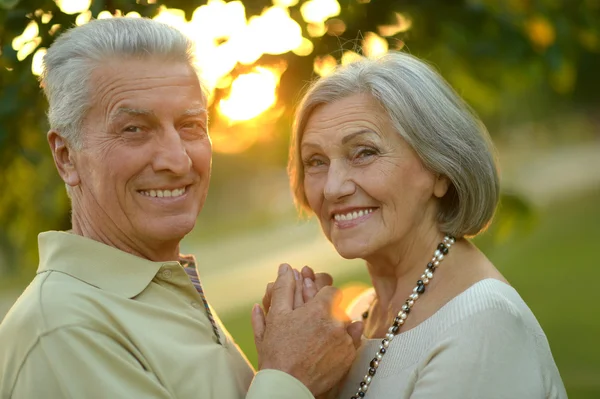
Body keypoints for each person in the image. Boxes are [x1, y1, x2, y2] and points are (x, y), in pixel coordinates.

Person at [0, 18, 362, 399]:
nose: (177, 160)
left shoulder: (159, 284)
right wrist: (292, 377)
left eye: (190, 125)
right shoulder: (61, 330)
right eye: (134, 129)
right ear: (66, 157)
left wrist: (310, 374)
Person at [281, 51, 568, 398]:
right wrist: (296, 368)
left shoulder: (482, 324)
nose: (333, 187)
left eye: (364, 152)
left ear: (440, 170)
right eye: (315, 161)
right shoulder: (358, 316)